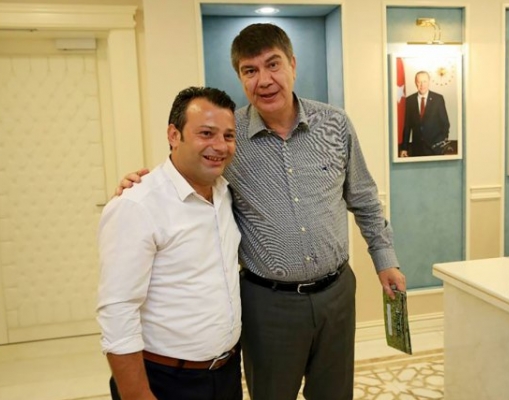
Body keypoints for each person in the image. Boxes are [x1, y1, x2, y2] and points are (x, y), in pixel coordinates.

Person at [117, 23, 406, 400]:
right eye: (250, 70)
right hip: (267, 305)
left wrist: (385, 260)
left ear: (292, 65)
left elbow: (364, 198)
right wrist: (137, 184)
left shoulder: (335, 124)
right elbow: (183, 172)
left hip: (337, 293)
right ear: (240, 77)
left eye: (273, 64)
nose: (264, 80)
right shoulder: (228, 135)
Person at [97, 87, 242, 400]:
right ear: (174, 135)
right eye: (206, 133)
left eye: (228, 136)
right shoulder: (137, 204)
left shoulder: (226, 193)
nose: (220, 145)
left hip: (226, 374)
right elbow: (118, 309)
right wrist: (137, 394)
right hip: (166, 381)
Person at [399, 71, 450, 157]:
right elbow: (407, 126)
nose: (422, 85)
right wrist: (404, 148)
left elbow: (445, 124)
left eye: (424, 81)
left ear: (429, 82)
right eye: (419, 82)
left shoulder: (438, 99)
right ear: (416, 83)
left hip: (435, 150)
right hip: (417, 149)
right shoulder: (409, 101)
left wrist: (441, 145)